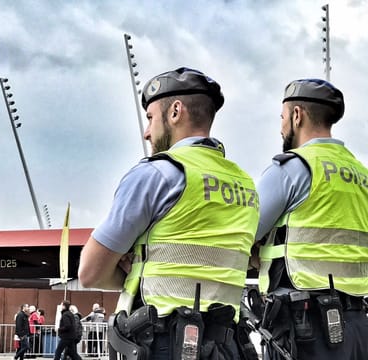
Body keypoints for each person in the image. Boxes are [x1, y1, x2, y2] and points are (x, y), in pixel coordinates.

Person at [78, 67, 260, 359]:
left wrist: (135, 268)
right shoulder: (246, 185)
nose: (147, 132)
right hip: (227, 347)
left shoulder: (158, 174)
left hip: (165, 343)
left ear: (175, 112)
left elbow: (89, 272)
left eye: (150, 118)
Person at [254, 78, 368, 359]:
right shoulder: (361, 176)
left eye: (282, 118)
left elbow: (240, 234)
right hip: (358, 325)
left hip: (306, 326)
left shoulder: (292, 169)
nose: (281, 126)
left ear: (297, 115)